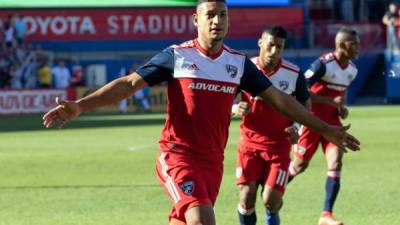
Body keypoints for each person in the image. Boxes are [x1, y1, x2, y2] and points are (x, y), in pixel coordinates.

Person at [42, 1, 360, 225]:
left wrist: (325, 128)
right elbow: (128, 84)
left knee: (188, 220)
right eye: (209, 14)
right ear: (196, 19)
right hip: (177, 156)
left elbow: (279, 99)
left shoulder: (238, 64)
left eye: (222, 14)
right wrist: (80, 106)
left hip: (213, 163)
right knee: (203, 219)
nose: (216, 20)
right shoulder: (177, 56)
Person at [232, 26, 310, 225]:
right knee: (246, 198)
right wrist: (235, 108)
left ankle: (272, 216)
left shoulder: (293, 73)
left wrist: (297, 128)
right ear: (260, 43)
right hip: (249, 145)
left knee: (271, 201)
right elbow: (224, 100)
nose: (274, 51)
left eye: (280, 47)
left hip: (279, 147)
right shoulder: (244, 69)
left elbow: (305, 106)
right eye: (270, 45)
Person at [288, 27, 360, 225]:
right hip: (311, 121)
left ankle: (325, 215)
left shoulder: (352, 70)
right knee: (299, 165)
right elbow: (299, 88)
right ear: (341, 45)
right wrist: (329, 102)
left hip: (333, 124)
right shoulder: (323, 64)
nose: (358, 48)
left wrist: (341, 109)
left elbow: (339, 99)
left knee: (336, 161)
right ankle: (273, 187)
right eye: (355, 44)